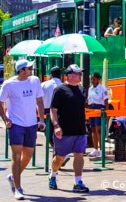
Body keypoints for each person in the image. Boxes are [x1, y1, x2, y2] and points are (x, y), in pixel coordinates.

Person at [0, 59, 45, 200]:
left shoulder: (35, 81)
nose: (32, 70)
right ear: (22, 70)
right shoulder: (9, 84)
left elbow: (39, 101)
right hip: (16, 125)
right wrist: (6, 120)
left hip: (31, 124)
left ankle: (13, 176)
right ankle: (18, 188)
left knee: (28, 156)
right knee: (16, 157)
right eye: (29, 68)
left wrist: (41, 119)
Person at [49, 64, 89, 193]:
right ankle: (53, 175)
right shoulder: (59, 90)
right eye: (78, 73)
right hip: (64, 131)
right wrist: (56, 126)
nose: (80, 76)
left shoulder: (82, 90)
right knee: (60, 158)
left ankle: (78, 182)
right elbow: (53, 110)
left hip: (80, 130)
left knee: (79, 155)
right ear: (70, 75)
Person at [87, 72, 109, 157]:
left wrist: (106, 114)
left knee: (99, 130)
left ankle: (102, 150)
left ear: (98, 80)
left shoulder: (103, 89)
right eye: (91, 79)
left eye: (94, 79)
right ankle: (95, 149)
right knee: (93, 129)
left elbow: (106, 102)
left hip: (99, 109)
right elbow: (89, 101)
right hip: (91, 109)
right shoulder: (90, 89)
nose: (92, 81)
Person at [41, 66, 62, 147]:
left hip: (47, 112)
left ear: (50, 75)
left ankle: (55, 148)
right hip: (60, 112)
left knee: (48, 132)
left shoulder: (44, 85)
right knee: (59, 131)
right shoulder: (63, 85)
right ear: (60, 75)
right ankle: (58, 149)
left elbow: (39, 99)